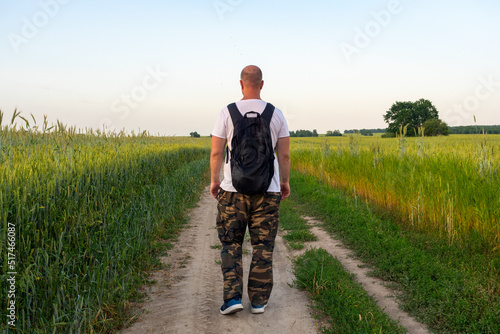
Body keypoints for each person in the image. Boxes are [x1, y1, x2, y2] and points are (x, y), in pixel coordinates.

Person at [210, 65, 291, 315]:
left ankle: (232, 298)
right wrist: (284, 182)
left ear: (241, 84)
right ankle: (258, 302)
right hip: (268, 191)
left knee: (231, 243)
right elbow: (284, 154)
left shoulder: (227, 112)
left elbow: (216, 152)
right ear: (262, 84)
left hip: (232, 191)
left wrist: (215, 181)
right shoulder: (276, 114)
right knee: (263, 246)